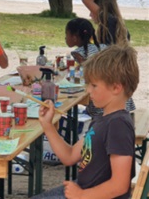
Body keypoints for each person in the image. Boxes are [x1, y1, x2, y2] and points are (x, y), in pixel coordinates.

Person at [32, 45, 139, 199]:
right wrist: (47, 125)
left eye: (94, 85)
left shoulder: (118, 125)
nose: (88, 90)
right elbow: (68, 156)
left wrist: (82, 195)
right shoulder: (101, 120)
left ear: (116, 88)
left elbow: (120, 185)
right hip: (82, 190)